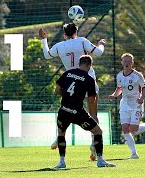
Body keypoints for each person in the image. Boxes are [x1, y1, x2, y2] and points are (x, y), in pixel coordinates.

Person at [39, 23, 106, 161]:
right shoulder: (82, 41)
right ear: (76, 31)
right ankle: (94, 144)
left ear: (64, 34)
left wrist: (44, 39)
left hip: (71, 83)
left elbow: (46, 55)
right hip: (88, 81)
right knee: (93, 114)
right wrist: (101, 44)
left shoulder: (59, 45)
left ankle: (59, 137)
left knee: (67, 112)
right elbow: (99, 53)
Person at [53, 55, 115, 168]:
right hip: (77, 112)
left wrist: (67, 97)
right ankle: (100, 160)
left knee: (61, 133)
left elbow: (57, 90)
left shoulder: (68, 73)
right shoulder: (89, 79)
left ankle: (61, 162)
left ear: (79, 63)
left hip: (64, 110)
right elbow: (91, 101)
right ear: (90, 65)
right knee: (98, 132)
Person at [109, 53, 145, 159]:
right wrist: (114, 95)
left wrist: (141, 98)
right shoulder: (119, 75)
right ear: (121, 62)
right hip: (125, 103)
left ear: (132, 63)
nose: (126, 63)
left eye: (128, 61)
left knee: (133, 130)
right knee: (125, 128)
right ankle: (134, 153)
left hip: (136, 103)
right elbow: (119, 88)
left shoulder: (137, 75)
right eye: (124, 61)